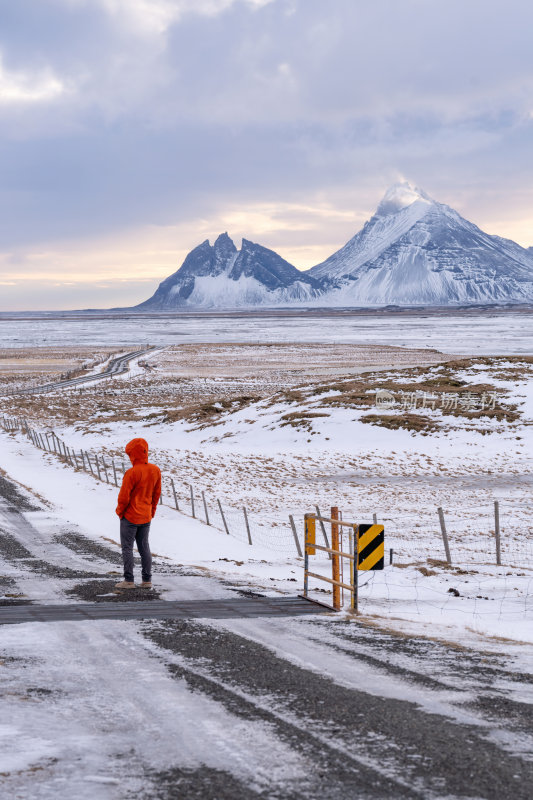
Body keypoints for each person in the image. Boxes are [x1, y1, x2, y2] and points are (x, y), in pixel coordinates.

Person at [115, 437, 161, 590]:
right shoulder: (155, 470)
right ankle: (147, 580)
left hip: (130, 517)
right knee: (144, 547)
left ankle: (129, 580)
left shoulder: (132, 472)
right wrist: (151, 512)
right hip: (146, 516)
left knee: (127, 548)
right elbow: (156, 494)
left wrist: (120, 512)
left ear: (133, 454)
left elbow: (124, 497)